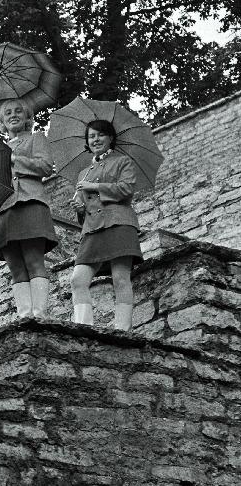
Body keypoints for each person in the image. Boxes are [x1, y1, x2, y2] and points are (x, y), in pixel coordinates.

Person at [70, 119, 142, 330]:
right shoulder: (83, 173)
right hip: (92, 229)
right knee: (78, 280)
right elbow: (86, 209)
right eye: (91, 136)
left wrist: (95, 186)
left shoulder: (122, 162)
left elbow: (126, 189)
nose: (96, 139)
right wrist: (80, 209)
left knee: (120, 278)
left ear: (110, 138)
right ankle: (83, 327)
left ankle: (123, 330)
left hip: (119, 223)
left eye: (100, 134)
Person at [0, 98, 58, 318]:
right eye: (8, 113)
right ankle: (25, 315)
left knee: (33, 260)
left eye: (18, 111)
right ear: (1, 121)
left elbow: (46, 166)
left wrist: (14, 159)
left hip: (30, 202)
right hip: (4, 209)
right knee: (16, 267)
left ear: (27, 117)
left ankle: (39, 314)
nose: (13, 115)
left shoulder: (36, 138)